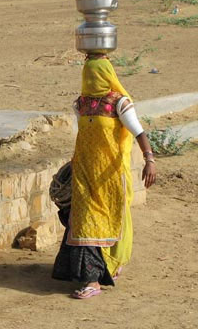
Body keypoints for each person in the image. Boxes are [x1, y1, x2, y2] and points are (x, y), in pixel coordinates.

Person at [52, 54, 157, 299]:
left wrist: (149, 160)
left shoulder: (119, 103)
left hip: (110, 176)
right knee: (85, 221)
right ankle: (92, 280)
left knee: (107, 222)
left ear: (106, 75)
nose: (89, 78)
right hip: (84, 173)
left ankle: (105, 269)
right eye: (87, 73)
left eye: (95, 73)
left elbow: (138, 133)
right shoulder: (80, 104)